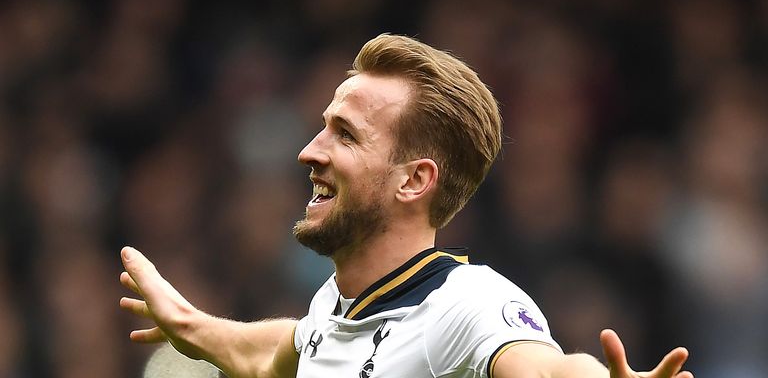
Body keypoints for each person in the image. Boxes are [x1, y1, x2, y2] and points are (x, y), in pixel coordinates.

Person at [119, 34, 693, 378]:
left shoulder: (466, 305)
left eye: (345, 135)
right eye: (323, 129)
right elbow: (280, 352)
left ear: (414, 181)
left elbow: (549, 366)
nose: (308, 152)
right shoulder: (334, 308)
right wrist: (189, 323)